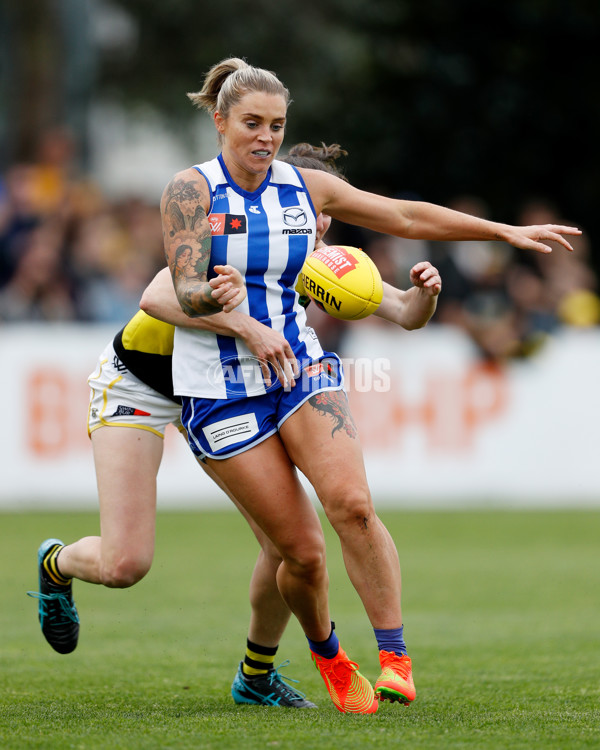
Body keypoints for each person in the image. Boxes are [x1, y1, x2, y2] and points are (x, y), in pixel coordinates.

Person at [159, 57, 580, 715]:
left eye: (276, 125)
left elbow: (404, 218)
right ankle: (329, 656)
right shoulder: (190, 191)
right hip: (219, 388)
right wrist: (226, 308)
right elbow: (179, 285)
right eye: (251, 123)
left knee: (352, 504)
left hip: (299, 368)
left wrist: (498, 230)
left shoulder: (305, 189)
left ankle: (396, 659)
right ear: (219, 121)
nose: (265, 137)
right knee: (299, 554)